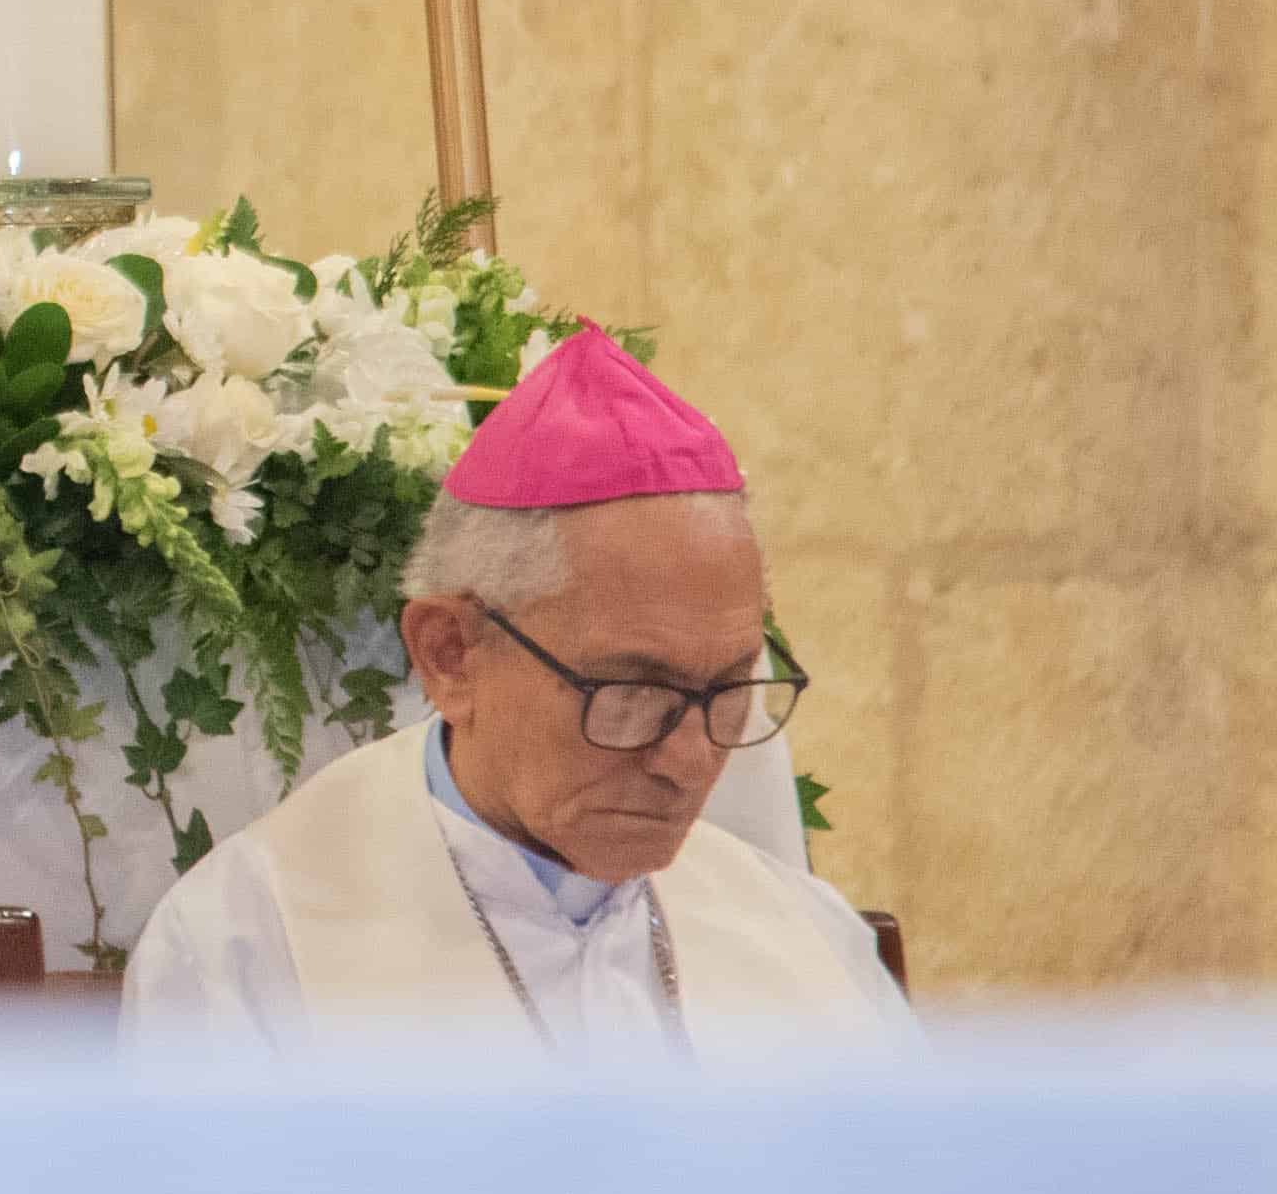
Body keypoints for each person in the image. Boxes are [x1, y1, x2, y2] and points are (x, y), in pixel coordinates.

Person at [123, 329, 912, 1050]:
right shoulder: (248, 951)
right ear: (451, 654)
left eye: (731, 687)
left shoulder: (809, 946)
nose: (691, 759)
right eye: (633, 690)